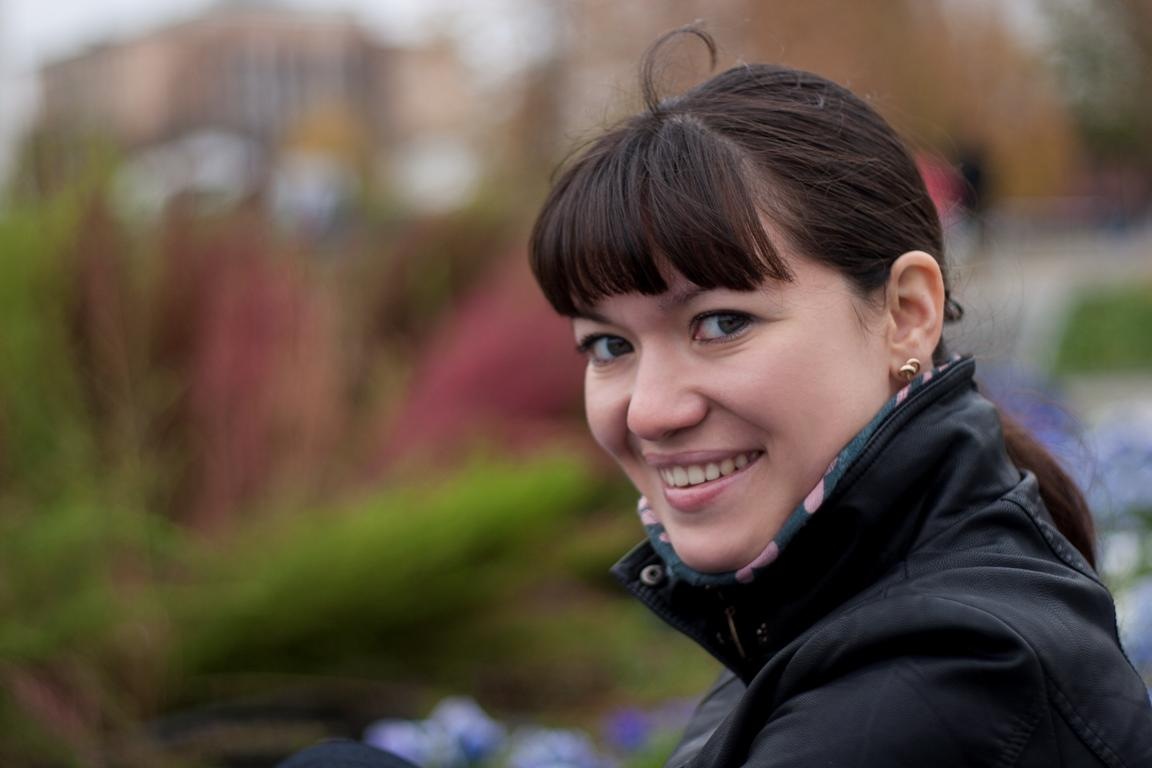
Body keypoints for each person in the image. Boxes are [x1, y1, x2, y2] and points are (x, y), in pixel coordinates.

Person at [527, 26, 1152, 767]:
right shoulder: (824, 616)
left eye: (721, 323)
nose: (650, 412)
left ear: (906, 314)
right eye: (609, 346)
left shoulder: (947, 685)